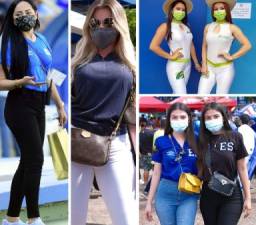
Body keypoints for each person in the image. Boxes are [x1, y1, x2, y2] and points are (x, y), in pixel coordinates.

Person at [0, 0, 66, 224]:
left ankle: (11, 218)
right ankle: (34, 218)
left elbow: (49, 76)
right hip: (19, 103)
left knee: (27, 161)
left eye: (28, 12)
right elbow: (0, 82)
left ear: (36, 15)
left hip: (40, 104)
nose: (24, 16)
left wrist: (60, 104)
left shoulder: (44, 39)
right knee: (36, 159)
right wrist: (19, 81)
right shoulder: (7, 43)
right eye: (19, 14)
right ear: (12, 19)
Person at [70, 0, 136, 224]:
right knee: (73, 218)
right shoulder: (77, 63)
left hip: (115, 144)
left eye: (108, 22)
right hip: (76, 141)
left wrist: (138, 156)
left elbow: (131, 115)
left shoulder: (131, 66)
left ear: (118, 24)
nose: (101, 28)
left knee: (126, 218)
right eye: (95, 23)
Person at [145, 103, 199, 225]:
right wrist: (149, 202)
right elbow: (156, 173)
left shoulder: (197, 140)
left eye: (182, 117)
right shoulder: (161, 141)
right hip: (165, 194)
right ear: (169, 120)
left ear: (189, 119)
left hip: (189, 194)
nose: (178, 120)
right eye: (174, 117)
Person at [197, 102, 251, 225]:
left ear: (224, 117)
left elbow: (242, 169)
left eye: (216, 116)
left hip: (232, 194)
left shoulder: (235, 137)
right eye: (208, 118)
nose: (212, 120)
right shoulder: (201, 140)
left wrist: (248, 197)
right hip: (208, 194)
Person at [197, 0, 251, 94]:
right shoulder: (208, 27)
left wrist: (232, 57)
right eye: (216, 9)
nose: (218, 11)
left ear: (227, 10)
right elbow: (204, 46)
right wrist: (204, 64)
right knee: (201, 94)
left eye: (222, 8)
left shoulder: (232, 28)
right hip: (209, 68)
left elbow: (247, 45)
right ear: (213, 12)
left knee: (221, 97)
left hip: (225, 70)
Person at [149, 0, 201, 94]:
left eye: (183, 10)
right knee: (181, 94)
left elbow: (191, 45)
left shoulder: (186, 27)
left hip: (187, 65)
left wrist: (196, 63)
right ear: (172, 10)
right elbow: (153, 46)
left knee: (177, 93)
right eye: (178, 9)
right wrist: (171, 56)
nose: (181, 12)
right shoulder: (165, 26)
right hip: (175, 66)